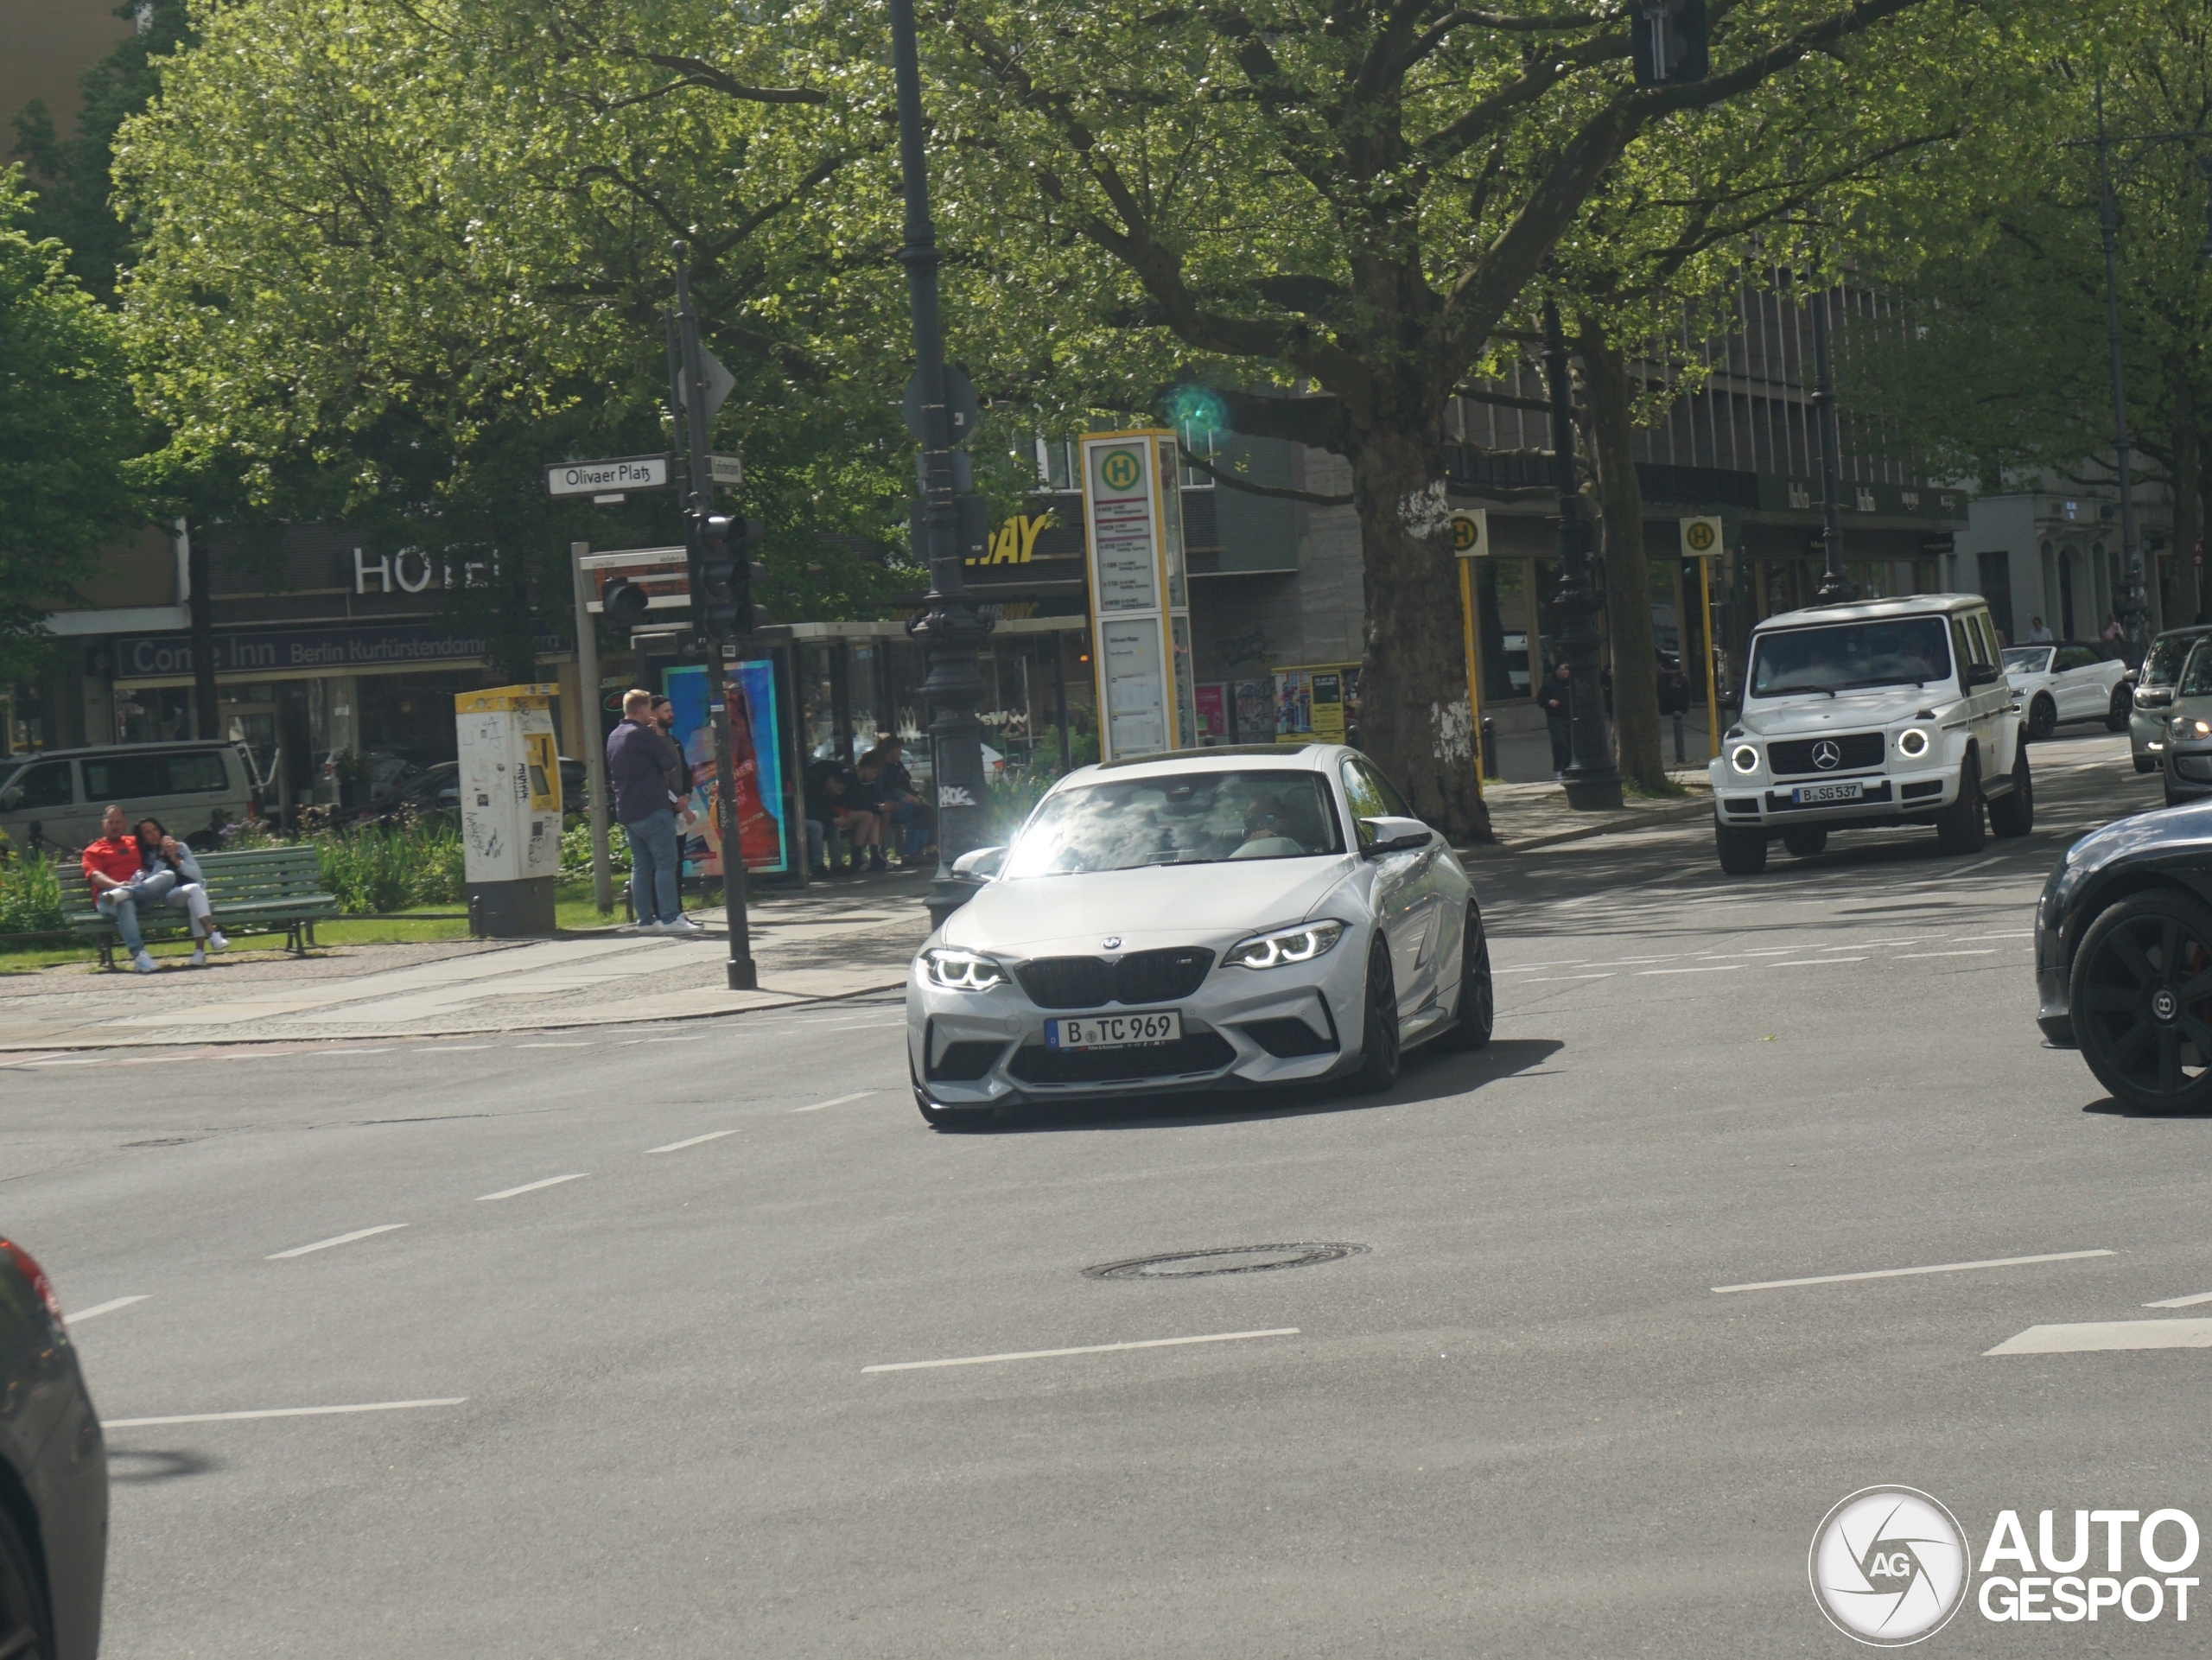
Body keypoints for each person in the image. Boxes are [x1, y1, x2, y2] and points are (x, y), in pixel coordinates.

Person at [605, 689, 700, 936]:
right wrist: (655, 733)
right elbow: (668, 763)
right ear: (641, 710)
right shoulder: (642, 735)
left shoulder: (614, 736)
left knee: (641, 865)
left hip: (628, 810)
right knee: (666, 863)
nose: (651, 712)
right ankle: (670, 917)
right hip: (653, 808)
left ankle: (646, 920)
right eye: (649, 708)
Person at [132, 816, 228, 966]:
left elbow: (197, 875)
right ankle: (213, 934)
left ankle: (199, 953)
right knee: (195, 892)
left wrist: (176, 859)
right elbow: (151, 882)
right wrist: (162, 858)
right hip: (169, 896)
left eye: (155, 830)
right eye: (148, 832)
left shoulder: (180, 847)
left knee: (194, 894)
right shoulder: (146, 856)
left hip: (191, 892)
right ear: (143, 838)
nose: (153, 834)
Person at [79, 805, 160, 973]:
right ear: (103, 824)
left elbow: (157, 846)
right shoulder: (93, 850)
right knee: (124, 902)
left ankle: (127, 893)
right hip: (108, 897)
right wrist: (117, 886)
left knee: (168, 875)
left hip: (139, 893)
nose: (114, 826)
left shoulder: (135, 842)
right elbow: (95, 877)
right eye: (110, 822)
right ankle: (139, 956)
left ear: (124, 824)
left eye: (118, 822)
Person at [866, 735, 935, 866]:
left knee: (926, 810)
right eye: (898, 750)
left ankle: (924, 849)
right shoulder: (881, 767)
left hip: (902, 801)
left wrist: (914, 796)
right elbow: (880, 791)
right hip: (887, 803)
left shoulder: (897, 765)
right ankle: (911, 852)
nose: (900, 754)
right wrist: (902, 798)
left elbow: (904, 784)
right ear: (891, 751)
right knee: (917, 812)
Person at [1538, 661, 1573, 780]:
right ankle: (1558, 769)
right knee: (1560, 743)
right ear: (1557, 671)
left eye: (1567, 670)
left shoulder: (1571, 682)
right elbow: (1540, 699)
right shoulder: (1549, 684)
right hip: (1555, 718)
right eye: (1563, 669)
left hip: (1569, 717)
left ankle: (1567, 769)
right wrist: (1549, 701)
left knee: (1570, 745)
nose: (1566, 672)